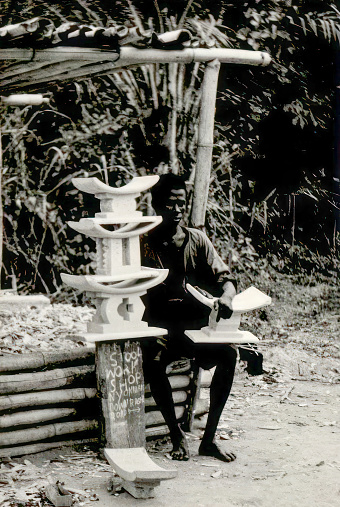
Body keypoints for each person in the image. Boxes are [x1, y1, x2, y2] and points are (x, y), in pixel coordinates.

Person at [142, 173, 238, 463]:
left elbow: (227, 279)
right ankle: (176, 435)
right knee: (152, 362)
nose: (177, 209)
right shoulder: (143, 243)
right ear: (156, 205)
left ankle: (208, 440)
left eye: (181, 204)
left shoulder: (197, 239)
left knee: (230, 355)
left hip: (194, 328)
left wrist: (227, 298)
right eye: (170, 203)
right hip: (159, 326)